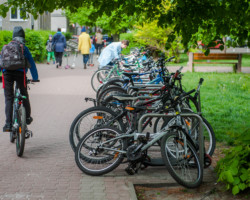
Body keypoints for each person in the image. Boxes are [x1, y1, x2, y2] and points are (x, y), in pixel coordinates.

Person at [0, 26, 39, 132]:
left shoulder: (6, 47)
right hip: (20, 74)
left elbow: (1, 61)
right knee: (24, 94)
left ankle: (8, 124)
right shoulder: (23, 48)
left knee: (9, 98)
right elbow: (31, 63)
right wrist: (35, 78)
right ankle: (27, 118)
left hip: (6, 74)